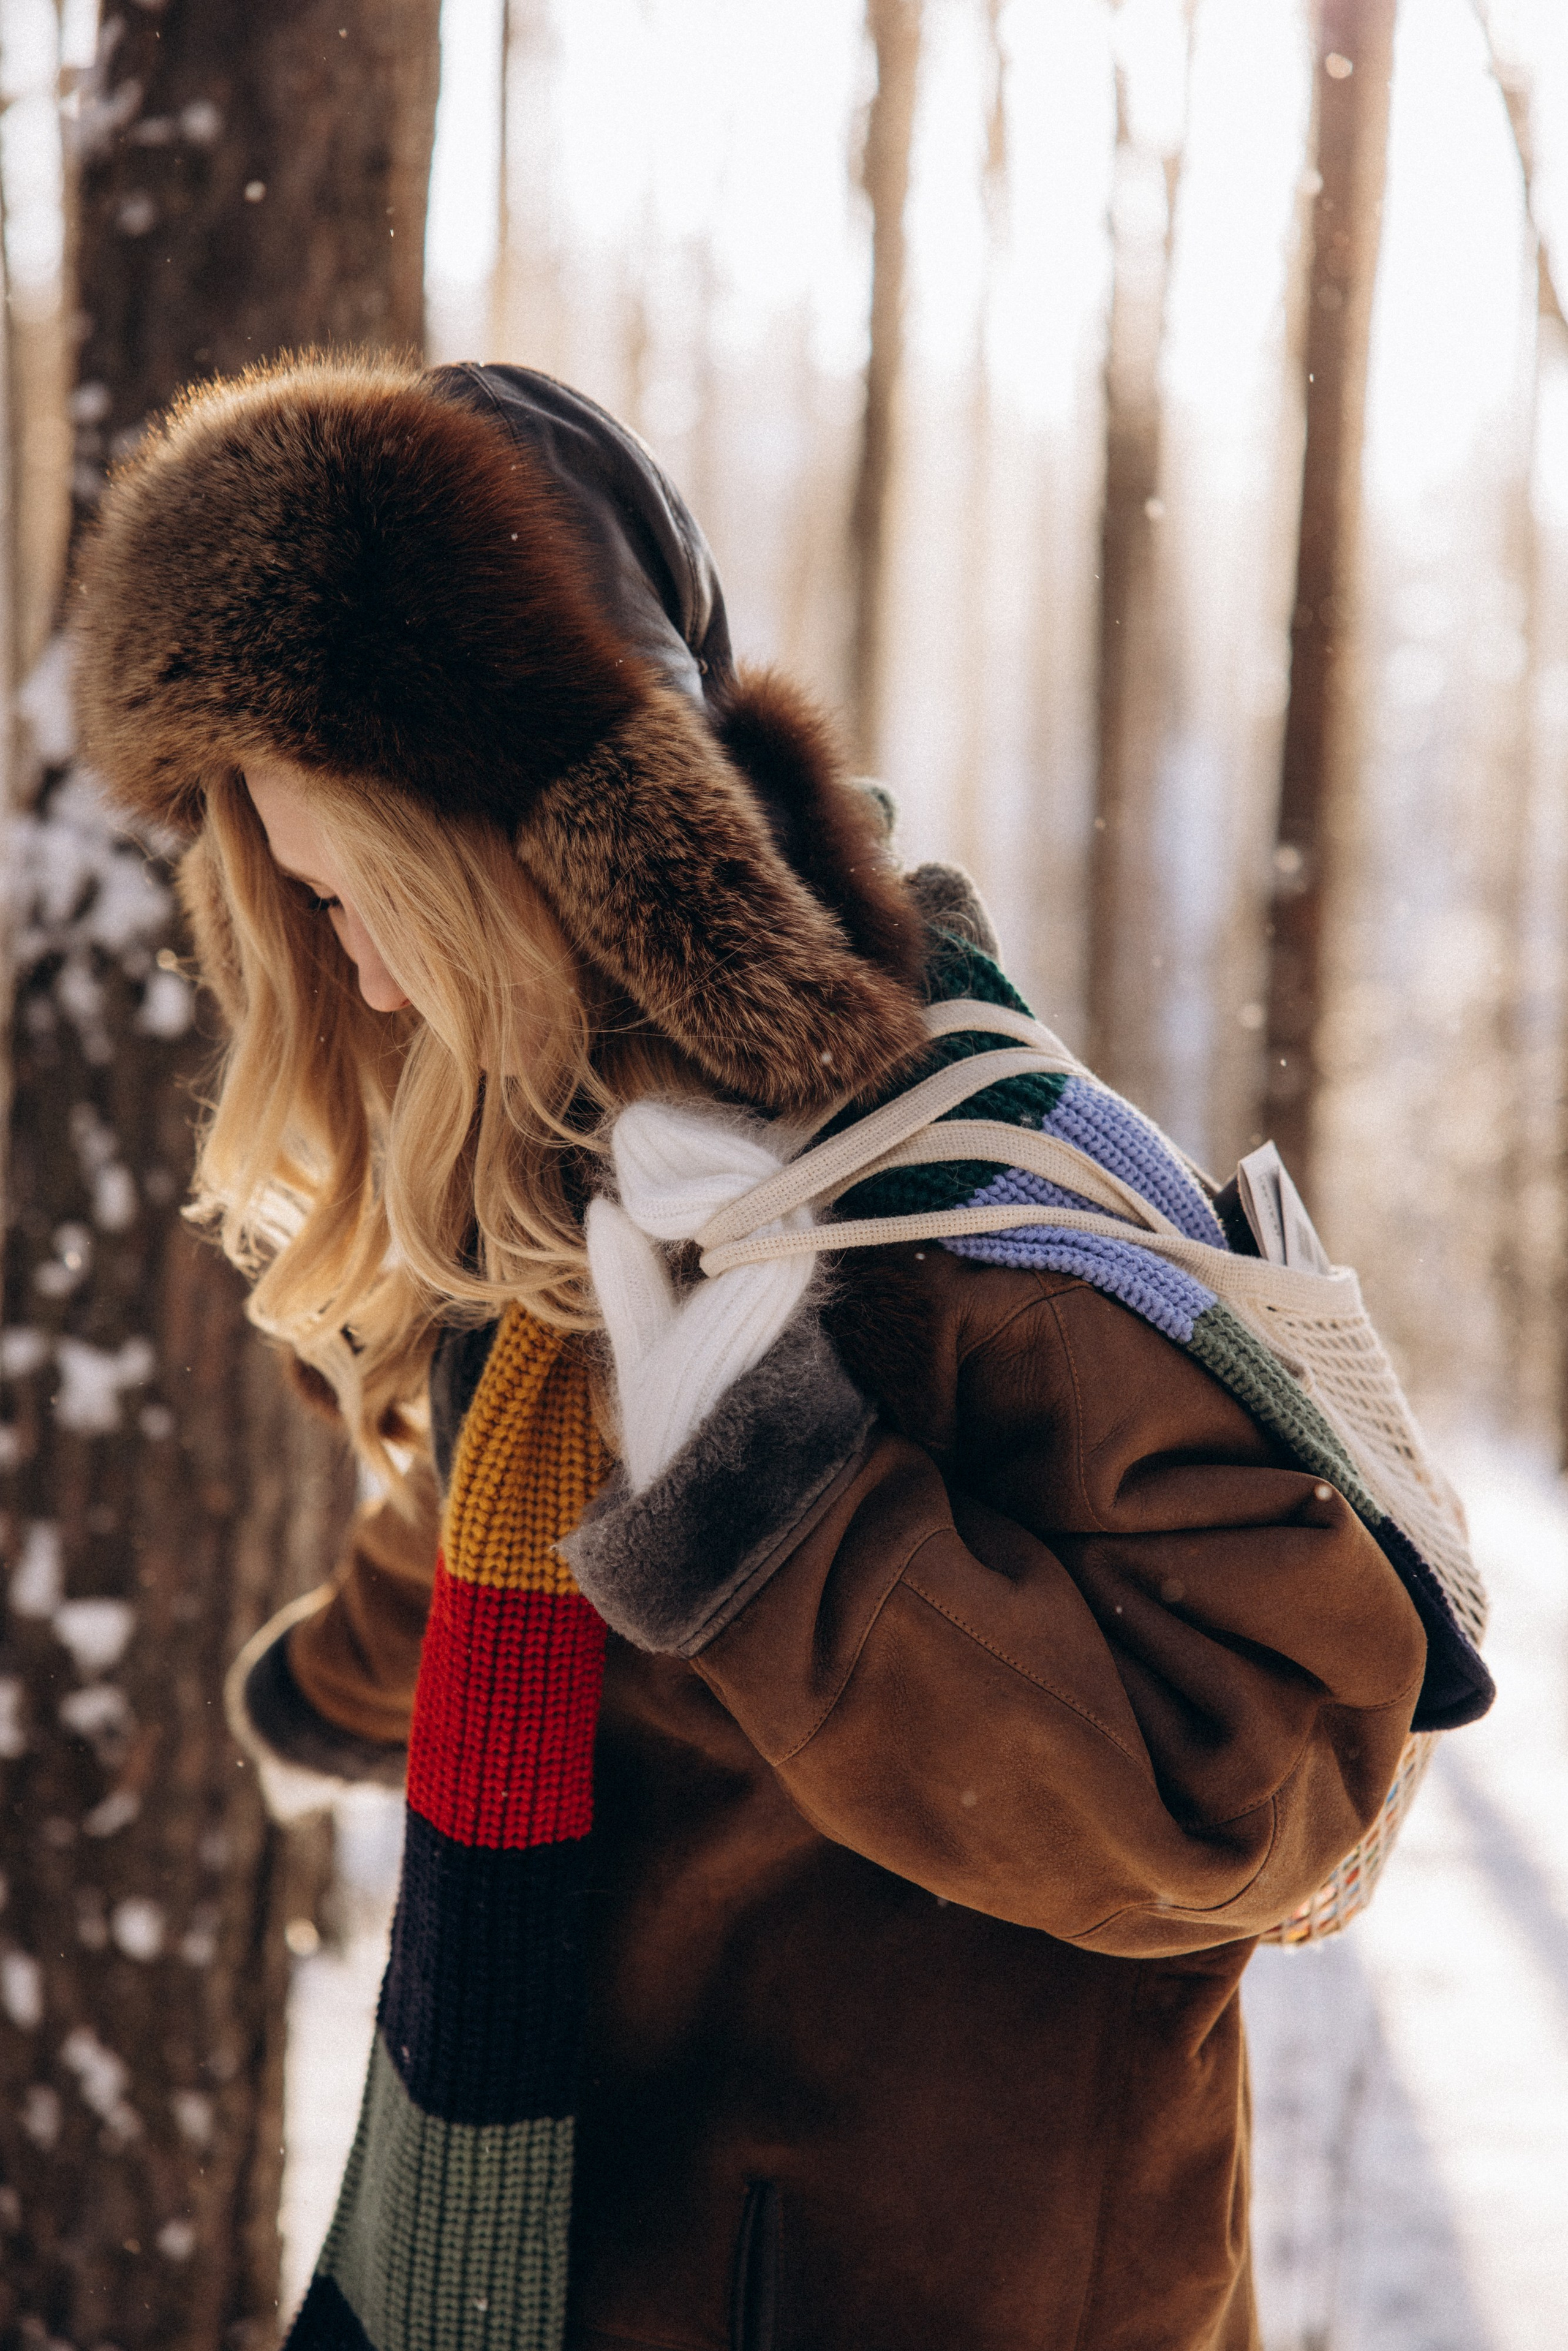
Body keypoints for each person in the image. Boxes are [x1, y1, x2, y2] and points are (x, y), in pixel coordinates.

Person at [74, 356, 1465, 2351]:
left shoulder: (951, 1207)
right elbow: (505, 1516)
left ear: (518, 855)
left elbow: (1272, 1785)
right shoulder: (573, 1181)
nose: (355, 974)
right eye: (304, 904)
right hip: (592, 2253)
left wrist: (778, 1505)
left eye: (363, 895)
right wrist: (326, 1683)